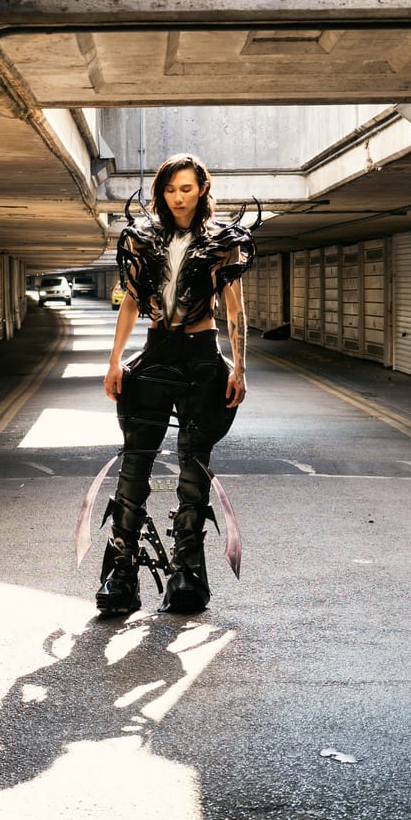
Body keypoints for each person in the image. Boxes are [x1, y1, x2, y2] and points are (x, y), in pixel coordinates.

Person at [95, 153, 253, 615]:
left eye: (186, 188)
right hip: (157, 352)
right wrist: (115, 361)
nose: (177, 197)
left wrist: (239, 367)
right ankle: (120, 574)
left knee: (193, 467)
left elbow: (235, 309)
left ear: (202, 188)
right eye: (169, 189)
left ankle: (188, 574)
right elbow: (129, 303)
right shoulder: (144, 240)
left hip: (202, 357)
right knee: (134, 464)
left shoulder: (222, 241)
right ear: (160, 193)